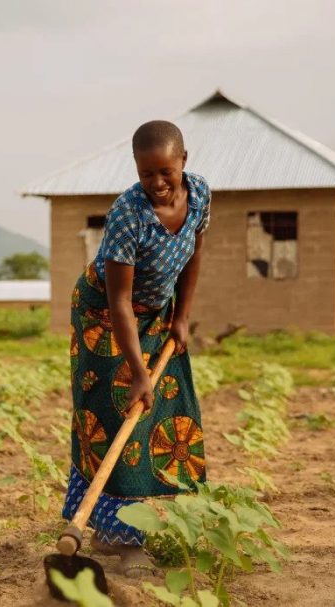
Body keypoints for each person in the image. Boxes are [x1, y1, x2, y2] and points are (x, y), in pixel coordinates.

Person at [61, 120, 210, 577]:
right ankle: (120, 539)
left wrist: (182, 315)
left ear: (184, 162)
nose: (158, 183)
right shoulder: (128, 215)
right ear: (136, 171)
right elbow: (118, 300)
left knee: (161, 412)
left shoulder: (200, 194)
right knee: (114, 415)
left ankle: (129, 526)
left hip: (155, 314)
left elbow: (194, 254)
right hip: (104, 318)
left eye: (166, 171)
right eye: (147, 174)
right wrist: (137, 371)